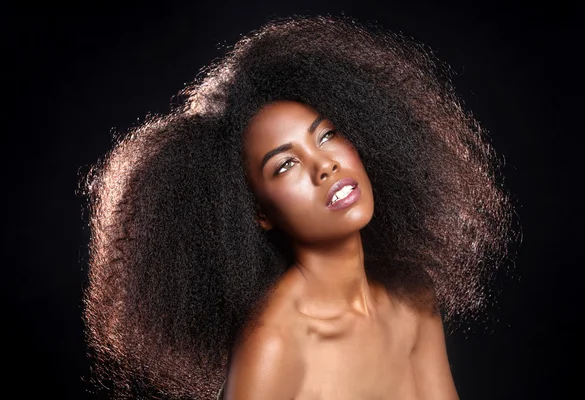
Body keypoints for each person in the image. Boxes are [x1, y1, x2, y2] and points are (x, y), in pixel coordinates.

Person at [83, 15, 515, 400]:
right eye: (286, 164)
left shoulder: (413, 296)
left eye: (326, 136)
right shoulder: (275, 341)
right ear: (258, 212)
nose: (324, 166)